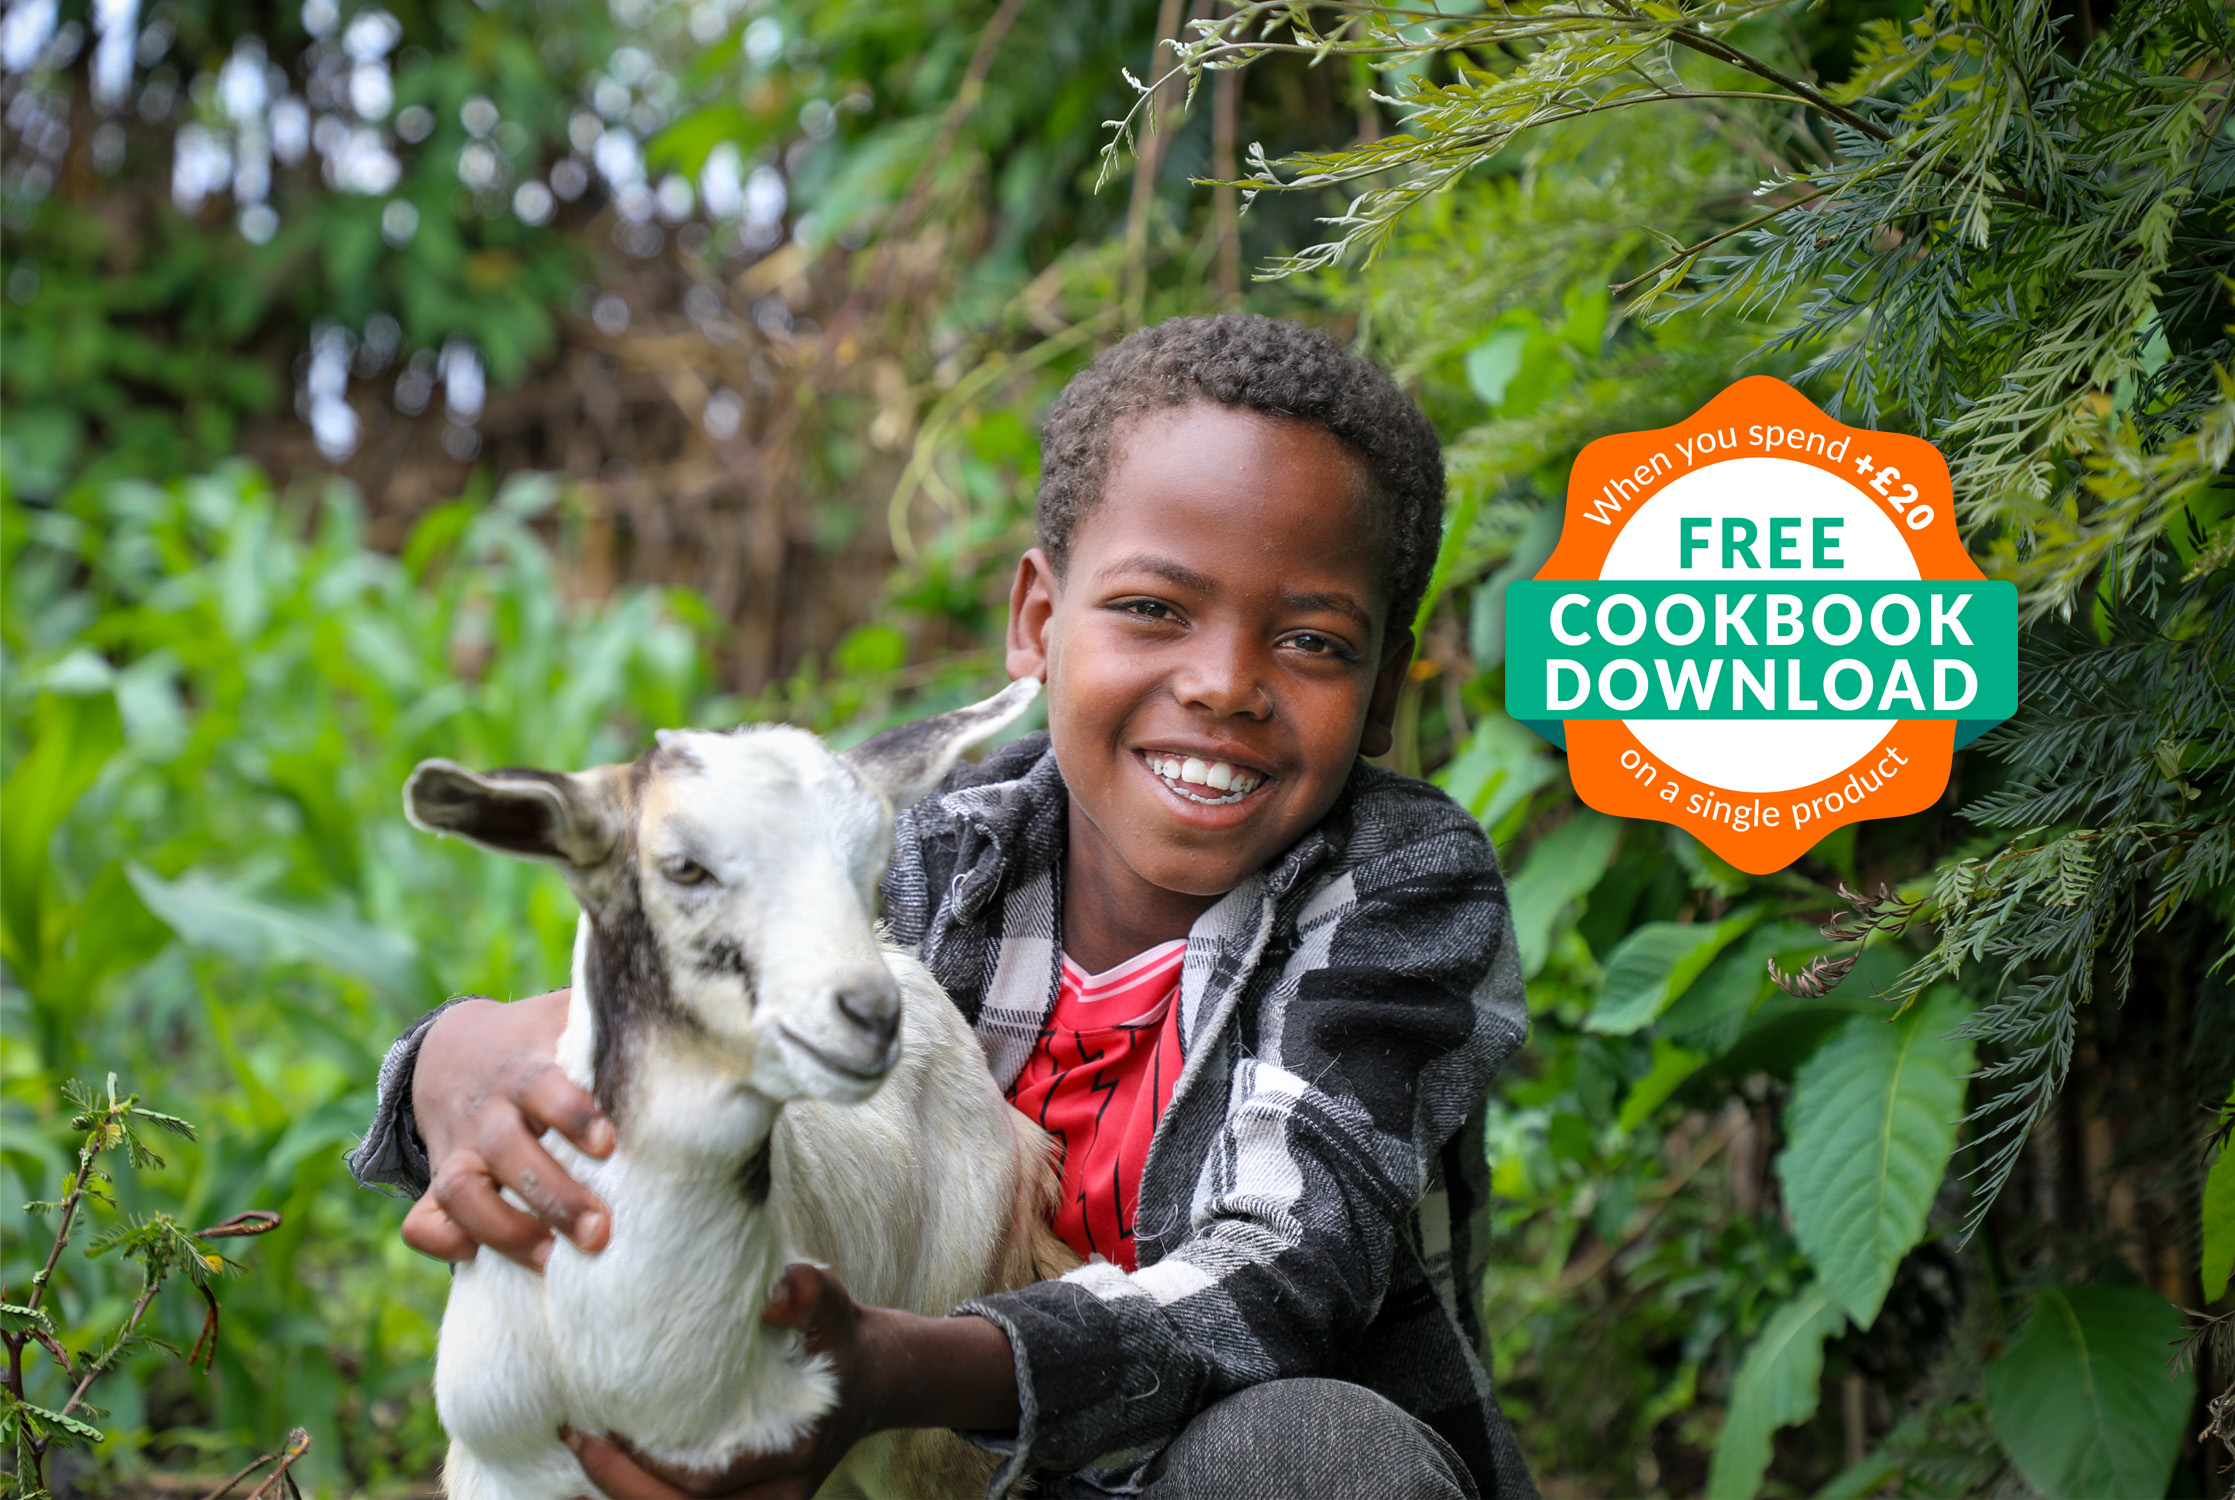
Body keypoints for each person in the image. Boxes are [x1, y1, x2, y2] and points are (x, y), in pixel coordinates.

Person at [350, 315, 1533, 1500]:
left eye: (1310, 640)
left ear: (1383, 692)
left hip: (1197, 1472)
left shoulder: (1397, 890)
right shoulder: (922, 862)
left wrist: (892, 1372)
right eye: (1154, 610)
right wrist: (450, 1067)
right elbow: (703, 1026)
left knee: (1315, 1454)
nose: (1224, 684)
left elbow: (1279, 1279)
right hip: (908, 1477)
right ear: (1036, 623)